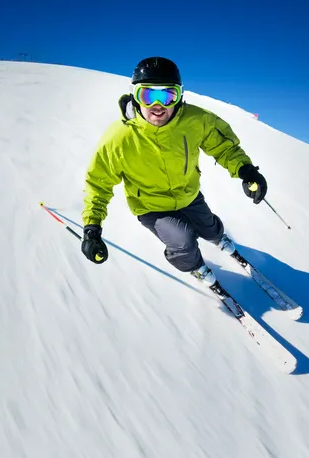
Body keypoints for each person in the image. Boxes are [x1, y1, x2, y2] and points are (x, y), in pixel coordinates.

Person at [80, 56, 267, 296]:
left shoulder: (195, 121)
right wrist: (91, 228)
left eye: (167, 95)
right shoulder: (118, 138)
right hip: (151, 206)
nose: (158, 106)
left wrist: (245, 170)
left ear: (179, 96)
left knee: (210, 229)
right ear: (135, 97)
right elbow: (98, 183)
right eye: (148, 96)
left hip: (188, 194)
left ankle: (220, 239)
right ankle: (195, 267)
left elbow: (224, 147)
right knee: (184, 243)